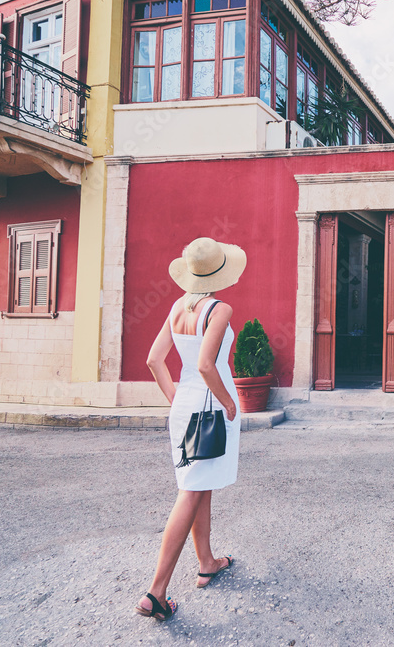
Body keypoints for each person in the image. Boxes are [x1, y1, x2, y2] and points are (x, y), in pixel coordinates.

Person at [135, 237, 248, 621]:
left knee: (201, 484)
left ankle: (206, 562)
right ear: (220, 273)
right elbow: (205, 364)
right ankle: (156, 592)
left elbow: (154, 359)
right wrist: (229, 402)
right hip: (210, 407)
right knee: (190, 490)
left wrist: (174, 396)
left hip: (185, 405)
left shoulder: (177, 308)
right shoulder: (219, 308)